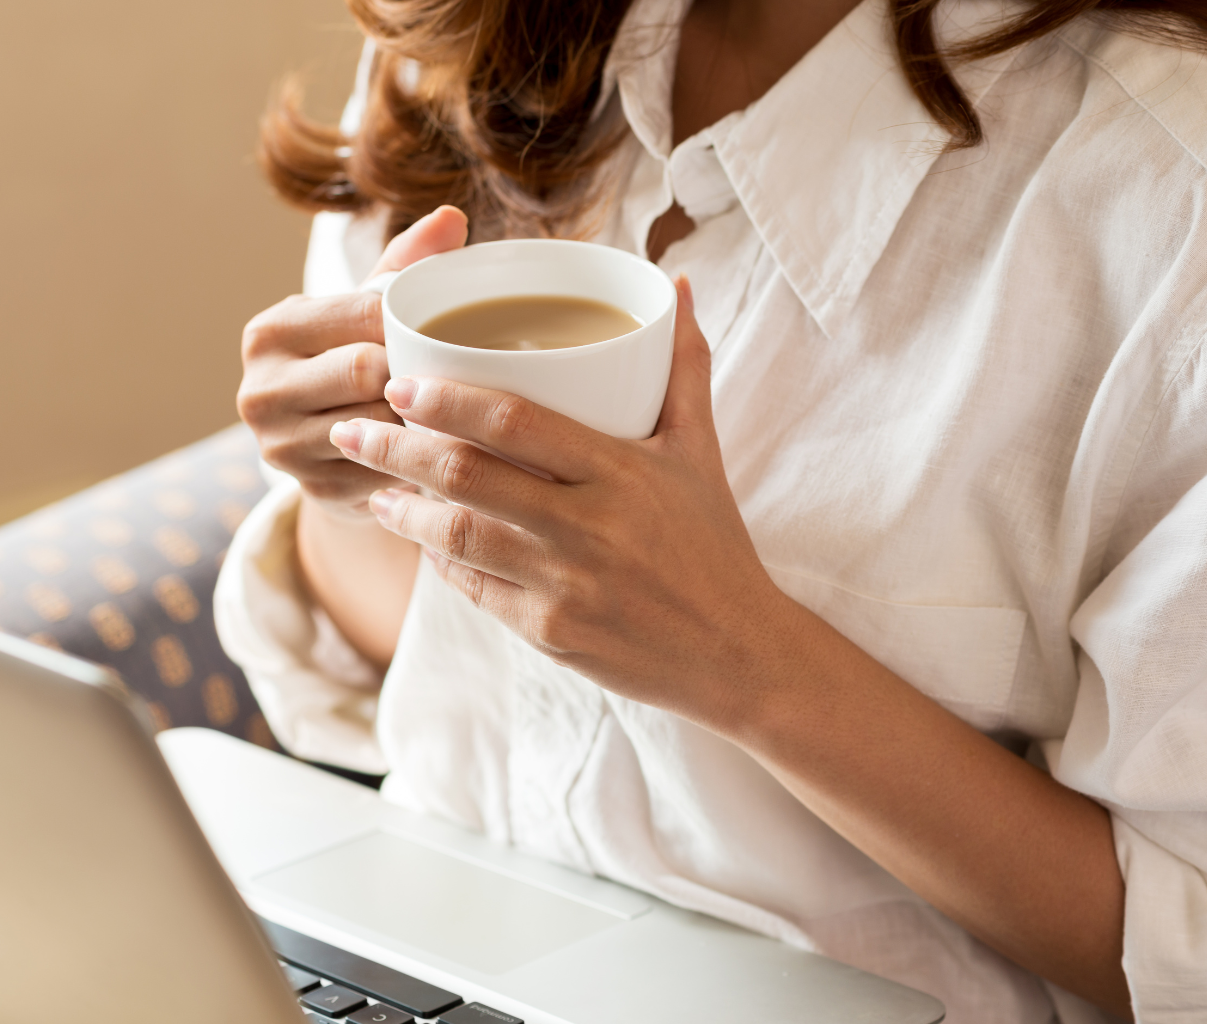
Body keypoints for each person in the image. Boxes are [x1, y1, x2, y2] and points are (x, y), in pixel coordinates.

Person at [217, 0, 1207, 1020]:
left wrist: (743, 658)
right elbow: (419, 654)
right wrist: (350, 473)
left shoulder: (1166, 207)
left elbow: (1183, 946)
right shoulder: (465, 45)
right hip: (424, 954)